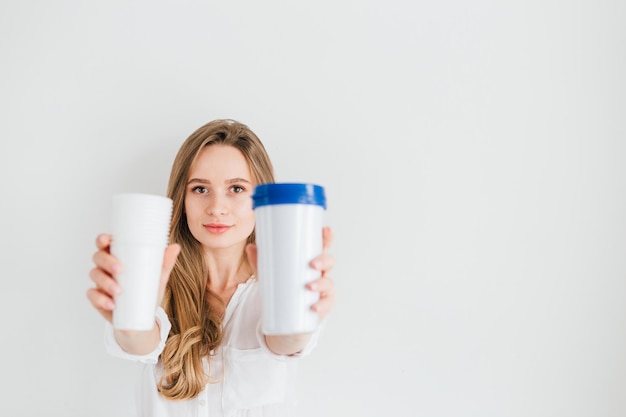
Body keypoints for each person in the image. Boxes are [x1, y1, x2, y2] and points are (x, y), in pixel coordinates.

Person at [86, 119, 336, 417]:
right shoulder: (150, 279)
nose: (217, 207)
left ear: (260, 199)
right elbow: (138, 340)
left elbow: (287, 341)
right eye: (201, 188)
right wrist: (131, 312)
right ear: (182, 199)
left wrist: (301, 309)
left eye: (236, 188)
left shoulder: (284, 287)